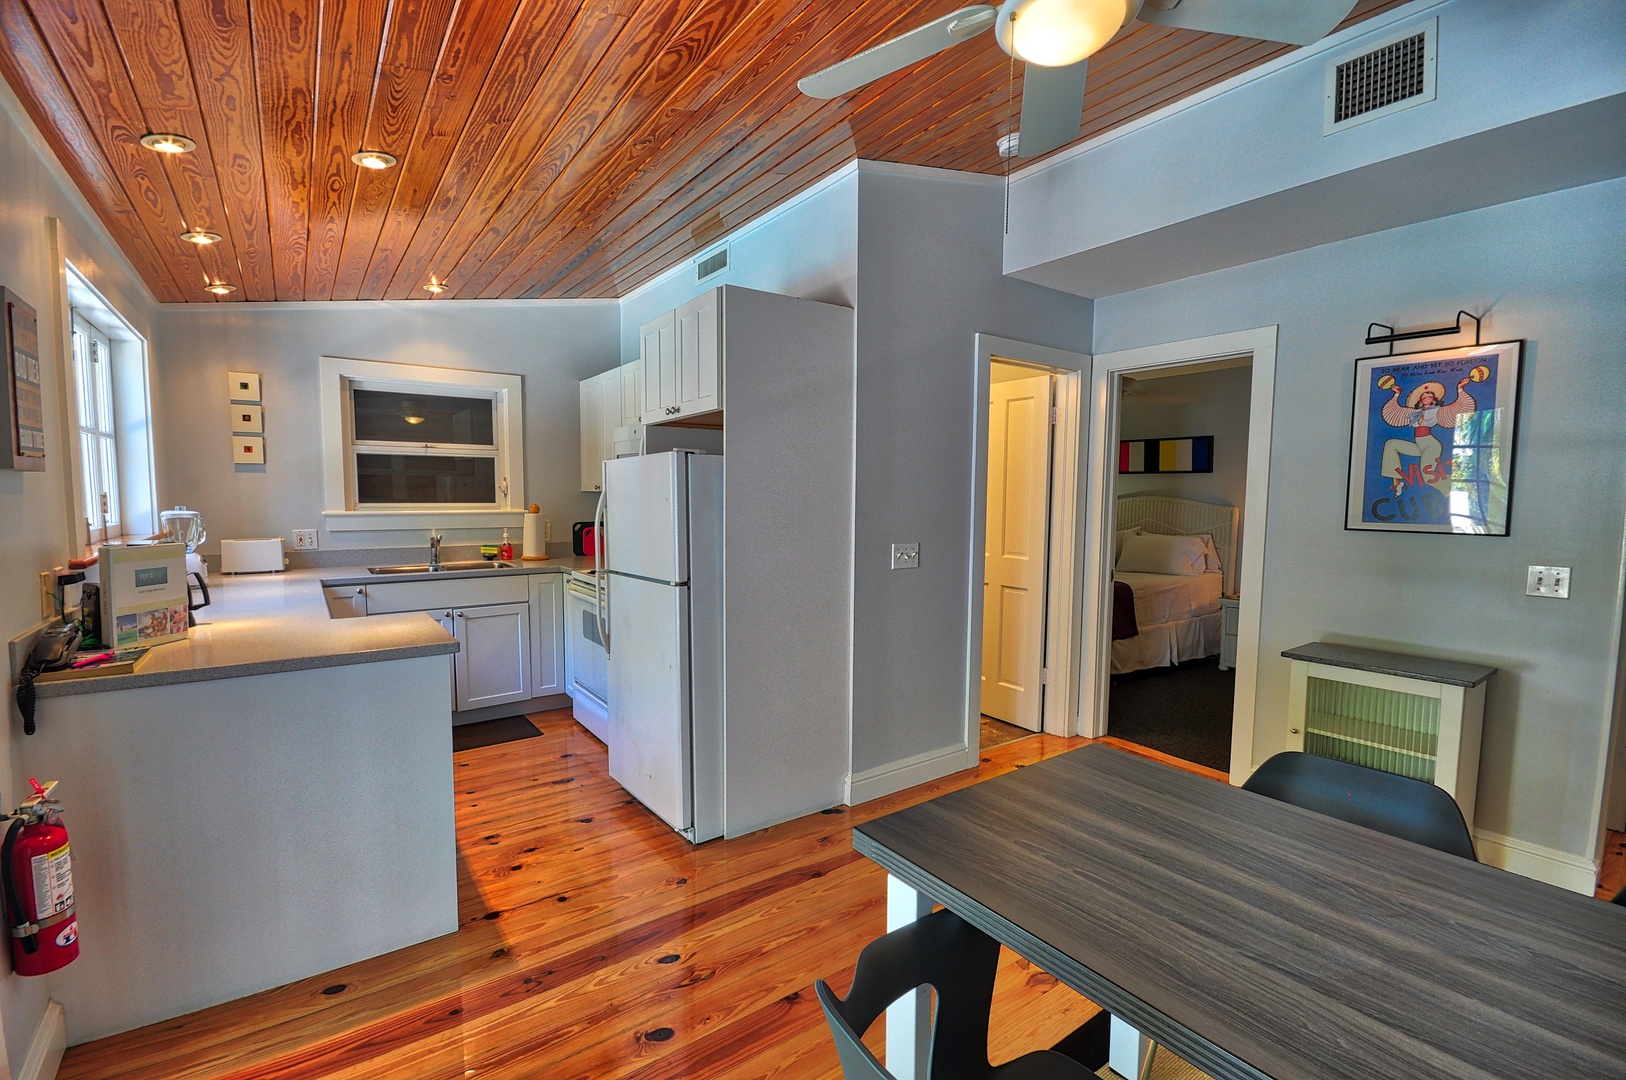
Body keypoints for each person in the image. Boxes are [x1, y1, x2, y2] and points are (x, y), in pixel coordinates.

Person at [1379, 376, 1476, 497]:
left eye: (1429, 396)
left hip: (1431, 445)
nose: (1427, 398)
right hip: (1419, 445)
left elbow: (1461, 409)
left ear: (1434, 399)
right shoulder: (1413, 413)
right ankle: (1397, 482)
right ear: (1420, 400)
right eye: (1424, 396)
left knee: (1428, 478)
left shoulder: (1437, 411)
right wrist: (1396, 395)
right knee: (1391, 444)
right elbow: (1393, 413)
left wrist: (1460, 389)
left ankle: (1456, 485)